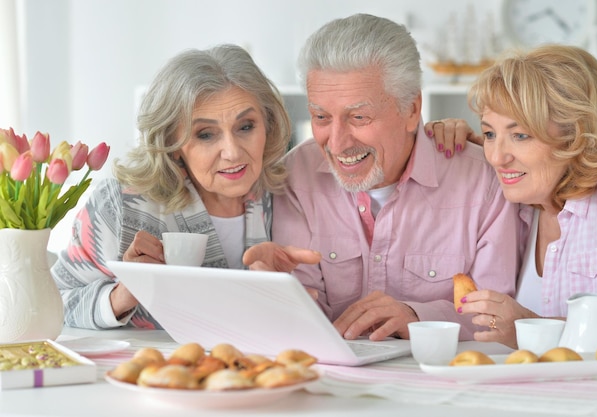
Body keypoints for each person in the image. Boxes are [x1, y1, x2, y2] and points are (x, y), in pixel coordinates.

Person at [260, 14, 521, 342]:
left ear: (411, 110)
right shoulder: (296, 176)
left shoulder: (484, 182)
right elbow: (300, 312)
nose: (337, 142)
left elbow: (496, 322)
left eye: (359, 117)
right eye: (321, 117)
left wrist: (418, 318)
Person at [52, 44, 302, 329]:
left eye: (246, 127)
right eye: (206, 134)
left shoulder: (290, 195)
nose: (232, 152)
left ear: (268, 125)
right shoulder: (120, 206)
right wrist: (124, 295)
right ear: (171, 144)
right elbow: (52, 305)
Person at [454, 44, 597, 348]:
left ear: (575, 134)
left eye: (520, 135)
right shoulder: (524, 205)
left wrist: (530, 330)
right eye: (490, 134)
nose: (495, 157)